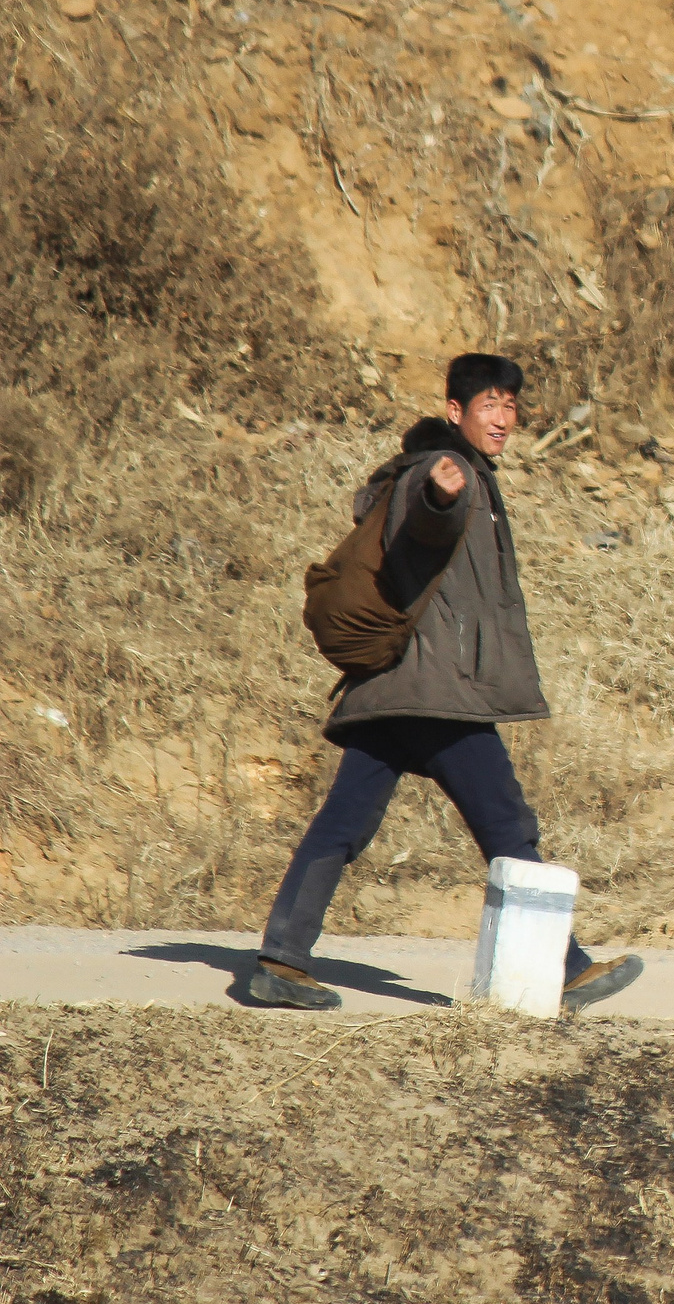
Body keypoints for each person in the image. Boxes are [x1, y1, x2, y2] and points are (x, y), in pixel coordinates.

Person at [248, 354, 643, 1013]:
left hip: (396, 690)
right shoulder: (435, 472)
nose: (505, 418)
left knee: (345, 820)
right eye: (490, 404)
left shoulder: (458, 470)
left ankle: (280, 962)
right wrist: (441, 493)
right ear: (457, 412)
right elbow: (427, 522)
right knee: (507, 824)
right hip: (436, 693)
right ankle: (567, 967)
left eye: (512, 406)